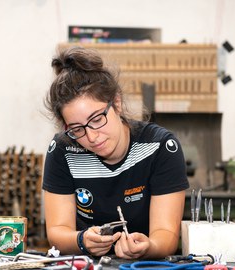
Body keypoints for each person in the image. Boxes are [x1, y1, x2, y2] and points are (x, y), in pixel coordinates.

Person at [42, 46, 189, 259]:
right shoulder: (63, 151)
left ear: (117, 103)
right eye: (76, 129)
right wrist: (81, 241)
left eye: (97, 119)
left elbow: (166, 236)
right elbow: (57, 231)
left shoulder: (159, 147)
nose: (91, 137)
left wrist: (148, 247)